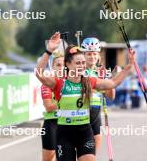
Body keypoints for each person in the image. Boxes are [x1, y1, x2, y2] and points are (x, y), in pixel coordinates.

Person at [36, 32, 135, 161]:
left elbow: (113, 83)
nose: (82, 66)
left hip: (84, 132)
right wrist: (48, 51)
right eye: (78, 63)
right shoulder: (59, 82)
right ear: (68, 64)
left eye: (83, 62)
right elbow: (39, 74)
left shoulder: (89, 80)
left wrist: (128, 66)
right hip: (65, 134)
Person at [81, 37, 115, 150]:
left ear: (99, 55)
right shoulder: (78, 71)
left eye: (94, 54)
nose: (92, 57)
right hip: (80, 114)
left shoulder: (102, 72)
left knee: (93, 154)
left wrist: (109, 80)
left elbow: (111, 96)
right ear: (83, 55)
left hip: (95, 114)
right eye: (89, 54)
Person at [41, 50, 64, 161]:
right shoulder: (47, 83)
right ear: (52, 67)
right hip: (52, 124)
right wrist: (66, 99)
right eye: (58, 65)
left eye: (64, 65)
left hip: (69, 123)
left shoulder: (73, 82)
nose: (61, 68)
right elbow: (49, 107)